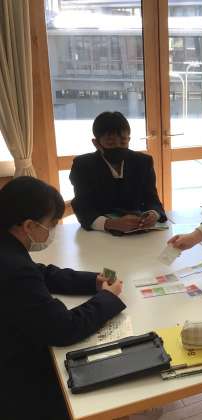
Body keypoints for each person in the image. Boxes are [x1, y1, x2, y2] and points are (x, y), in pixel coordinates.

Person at [0, 176, 126, 420]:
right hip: (17, 381)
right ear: (29, 226)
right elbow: (63, 329)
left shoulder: (7, 245)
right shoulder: (13, 268)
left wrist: (93, 280)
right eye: (51, 223)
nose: (53, 231)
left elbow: (41, 272)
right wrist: (108, 298)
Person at [70, 111, 166, 234]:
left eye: (123, 142)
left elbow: (152, 198)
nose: (118, 146)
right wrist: (109, 224)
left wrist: (153, 214)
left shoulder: (143, 162)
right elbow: (82, 205)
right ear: (96, 143)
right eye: (110, 143)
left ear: (129, 139)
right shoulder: (83, 165)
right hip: (99, 235)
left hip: (139, 231)